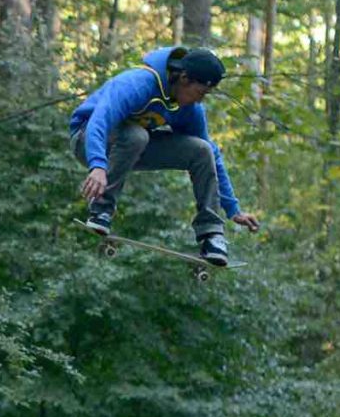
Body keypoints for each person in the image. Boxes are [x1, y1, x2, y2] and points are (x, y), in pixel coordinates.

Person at [67, 44, 262, 267]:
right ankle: (101, 210)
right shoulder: (138, 83)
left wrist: (233, 210)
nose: (200, 101)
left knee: (202, 150)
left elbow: (212, 158)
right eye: (200, 93)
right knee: (136, 136)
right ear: (184, 78)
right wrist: (97, 165)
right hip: (87, 140)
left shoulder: (189, 110)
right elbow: (98, 121)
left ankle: (211, 235)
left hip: (129, 151)